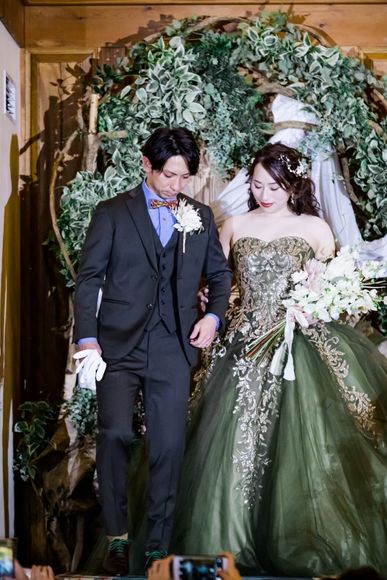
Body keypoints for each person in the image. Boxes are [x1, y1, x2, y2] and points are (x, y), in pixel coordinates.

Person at [170, 143, 387, 577]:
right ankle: (228, 540)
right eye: (258, 185)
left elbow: (334, 288)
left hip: (298, 343)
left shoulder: (316, 229)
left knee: (309, 441)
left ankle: (302, 537)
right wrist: (209, 300)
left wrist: (315, 305)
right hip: (242, 346)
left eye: (274, 187)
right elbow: (221, 283)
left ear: (293, 185)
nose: (264, 194)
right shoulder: (234, 224)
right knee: (229, 439)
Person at [73, 127, 232, 575]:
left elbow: (220, 276)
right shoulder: (112, 212)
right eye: (168, 175)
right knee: (115, 435)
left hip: (172, 344)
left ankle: (157, 547)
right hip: (116, 344)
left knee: (168, 446)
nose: (175, 186)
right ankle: (117, 537)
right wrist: (87, 339)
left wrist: (212, 317)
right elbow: (89, 279)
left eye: (184, 178)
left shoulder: (200, 216)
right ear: (147, 164)